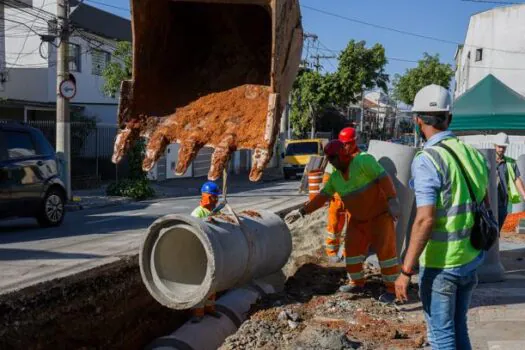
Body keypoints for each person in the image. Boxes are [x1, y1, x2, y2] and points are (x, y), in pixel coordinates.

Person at [394, 84, 489, 350]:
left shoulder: (428, 159)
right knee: (459, 329)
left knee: (441, 336)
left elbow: (425, 219)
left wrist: (405, 270)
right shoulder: (471, 154)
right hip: (469, 258)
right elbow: (485, 204)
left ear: (418, 120)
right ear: (449, 118)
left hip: (441, 265)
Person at [286, 139, 401, 303]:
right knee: (352, 252)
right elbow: (321, 198)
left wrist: (392, 199)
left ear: (343, 154)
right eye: (329, 158)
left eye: (333, 157)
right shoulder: (335, 178)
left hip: (379, 217)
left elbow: (383, 177)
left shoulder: (363, 161)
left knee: (386, 254)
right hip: (358, 221)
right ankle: (356, 282)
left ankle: (393, 289)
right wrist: (302, 211)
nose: (331, 162)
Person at [322, 127, 358, 262]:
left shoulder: (361, 157)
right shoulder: (336, 155)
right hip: (337, 199)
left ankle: (347, 254)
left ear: (354, 142)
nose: (345, 146)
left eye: (348, 143)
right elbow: (327, 176)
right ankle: (331, 253)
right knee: (334, 227)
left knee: (352, 229)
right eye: (343, 143)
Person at [190, 181, 223, 322]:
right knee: (201, 283)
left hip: (213, 253)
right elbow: (195, 230)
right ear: (205, 197)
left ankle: (210, 308)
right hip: (200, 253)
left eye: (216, 198)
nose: (215, 201)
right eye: (213, 198)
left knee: (212, 283)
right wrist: (207, 221)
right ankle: (198, 313)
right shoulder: (198, 212)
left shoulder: (216, 211)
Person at [494, 132, 525, 229]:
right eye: (499, 146)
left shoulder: (511, 162)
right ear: (494, 145)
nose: (501, 149)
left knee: (498, 227)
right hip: (489, 201)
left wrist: (524, 194)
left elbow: (517, 179)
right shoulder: (487, 160)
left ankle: (496, 241)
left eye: (504, 147)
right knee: (489, 228)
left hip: (503, 201)